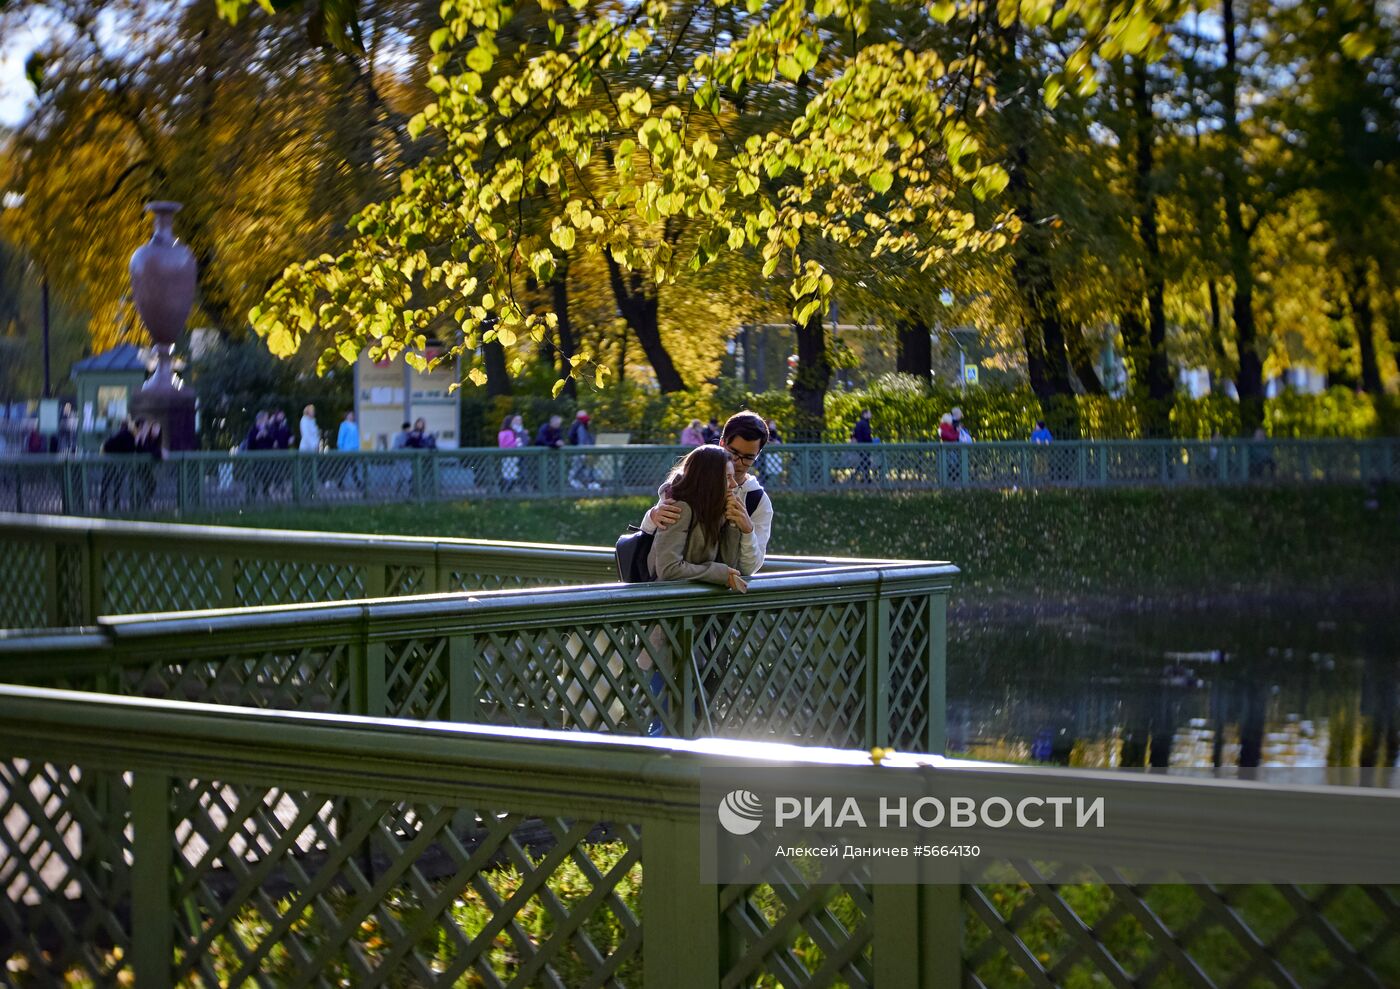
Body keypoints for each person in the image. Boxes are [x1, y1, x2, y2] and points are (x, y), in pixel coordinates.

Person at [641, 411, 773, 576]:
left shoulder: (757, 500)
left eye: (748, 458)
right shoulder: (686, 483)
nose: (738, 463)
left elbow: (747, 569)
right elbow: (663, 555)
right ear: (722, 443)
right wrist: (652, 517)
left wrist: (747, 530)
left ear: (757, 456)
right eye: (733, 453)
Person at [646, 445, 749, 590]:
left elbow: (728, 567)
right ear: (709, 480)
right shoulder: (680, 509)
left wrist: (733, 523)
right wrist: (717, 573)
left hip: (699, 604)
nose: (734, 484)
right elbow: (668, 569)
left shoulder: (717, 511)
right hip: (669, 603)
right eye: (727, 477)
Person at [568, 410, 597, 489]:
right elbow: (574, 438)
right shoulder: (577, 425)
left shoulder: (585, 426)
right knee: (576, 467)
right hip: (579, 450)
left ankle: (586, 484)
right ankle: (571, 482)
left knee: (585, 468)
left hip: (586, 451)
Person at [498, 413, 522, 491]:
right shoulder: (510, 432)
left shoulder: (501, 432)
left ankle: (504, 489)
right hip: (511, 455)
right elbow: (509, 444)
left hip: (503, 456)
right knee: (512, 473)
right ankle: (507, 490)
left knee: (505, 473)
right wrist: (517, 442)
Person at [850, 409, 875, 483]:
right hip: (865, 446)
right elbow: (867, 436)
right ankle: (865, 478)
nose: (871, 415)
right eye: (869, 413)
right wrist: (870, 442)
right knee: (866, 462)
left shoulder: (858, 423)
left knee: (864, 462)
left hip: (860, 446)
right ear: (865, 414)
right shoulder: (865, 424)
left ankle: (864, 477)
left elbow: (853, 435)